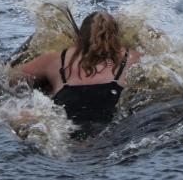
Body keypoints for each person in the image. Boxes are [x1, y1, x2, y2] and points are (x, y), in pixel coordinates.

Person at [9, 10, 142, 140]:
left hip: (63, 132)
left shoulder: (57, 59)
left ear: (80, 36)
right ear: (116, 36)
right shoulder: (131, 57)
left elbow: (13, 77)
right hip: (109, 134)